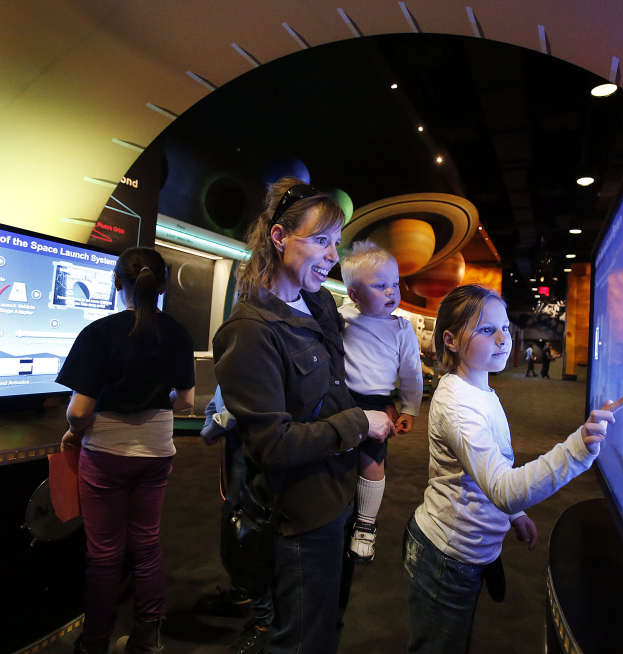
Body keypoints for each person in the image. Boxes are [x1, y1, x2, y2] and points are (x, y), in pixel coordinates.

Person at [212, 177, 395, 654]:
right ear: (278, 238)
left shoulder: (316, 303)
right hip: (300, 515)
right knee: (299, 641)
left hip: (339, 495)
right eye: (320, 240)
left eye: (335, 242)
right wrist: (361, 422)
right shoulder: (250, 331)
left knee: (325, 629)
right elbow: (274, 444)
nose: (333, 255)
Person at [402, 284, 621, 652]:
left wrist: (515, 514)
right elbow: (503, 488)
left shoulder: (480, 389)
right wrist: (576, 450)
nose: (503, 338)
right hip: (446, 557)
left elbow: (492, 468)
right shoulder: (459, 407)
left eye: (504, 327)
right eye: (487, 330)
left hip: (466, 550)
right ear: (451, 340)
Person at [56, 247, 195, 654]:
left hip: (105, 453)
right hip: (157, 451)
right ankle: (148, 637)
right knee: (146, 543)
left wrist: (71, 433)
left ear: (117, 283)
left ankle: (95, 641)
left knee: (104, 552)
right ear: (164, 285)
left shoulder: (98, 333)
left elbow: (79, 411)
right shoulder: (177, 333)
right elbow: (185, 403)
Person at [338, 240, 423, 562]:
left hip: (377, 401)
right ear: (355, 295)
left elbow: (412, 375)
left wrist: (410, 409)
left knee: (373, 463)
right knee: (336, 455)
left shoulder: (401, 329)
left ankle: (366, 525)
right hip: (342, 398)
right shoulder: (341, 318)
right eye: (380, 286)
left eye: (395, 284)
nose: (392, 292)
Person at [199, 386, 274, 653]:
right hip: (238, 445)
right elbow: (218, 397)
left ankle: (265, 622)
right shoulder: (239, 346)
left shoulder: (259, 347)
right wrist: (212, 424)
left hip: (255, 447)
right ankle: (244, 593)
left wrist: (214, 426)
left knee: (250, 533)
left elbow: (240, 407)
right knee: (236, 524)